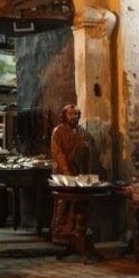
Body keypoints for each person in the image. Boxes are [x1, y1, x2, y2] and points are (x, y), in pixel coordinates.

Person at [49, 104, 102, 260]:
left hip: (78, 173)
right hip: (64, 174)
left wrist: (86, 152)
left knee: (79, 205)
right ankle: (63, 235)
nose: (75, 117)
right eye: (72, 114)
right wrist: (66, 171)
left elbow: (89, 150)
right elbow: (57, 153)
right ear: (65, 115)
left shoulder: (82, 133)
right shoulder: (58, 132)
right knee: (64, 205)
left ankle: (79, 235)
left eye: (77, 114)